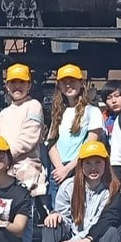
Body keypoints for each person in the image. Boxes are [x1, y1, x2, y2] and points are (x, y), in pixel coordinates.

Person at [47, 64, 105, 196]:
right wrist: (60, 168)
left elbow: (90, 145)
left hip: (78, 168)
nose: (68, 85)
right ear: (59, 87)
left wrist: (67, 169)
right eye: (64, 82)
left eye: (72, 81)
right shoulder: (58, 112)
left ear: (81, 84)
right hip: (58, 170)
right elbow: (51, 143)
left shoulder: (92, 111)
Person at [0, 63, 47, 197]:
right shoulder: (3, 113)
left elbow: (28, 139)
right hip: (4, 169)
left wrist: (4, 157)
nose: (17, 86)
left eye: (22, 82)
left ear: (29, 86)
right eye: (13, 82)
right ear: (7, 86)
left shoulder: (34, 106)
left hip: (27, 168)